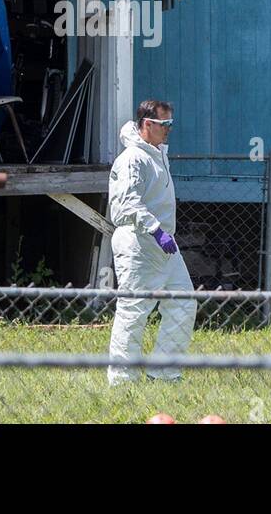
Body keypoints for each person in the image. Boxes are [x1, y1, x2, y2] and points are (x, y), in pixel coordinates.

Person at [106, 99, 196, 385]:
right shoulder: (133, 158)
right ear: (147, 124)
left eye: (171, 123)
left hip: (165, 246)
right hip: (139, 244)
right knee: (134, 310)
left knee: (183, 303)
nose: (170, 129)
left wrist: (162, 235)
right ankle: (123, 381)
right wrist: (156, 230)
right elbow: (124, 205)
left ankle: (164, 372)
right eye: (164, 124)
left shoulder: (157, 153)